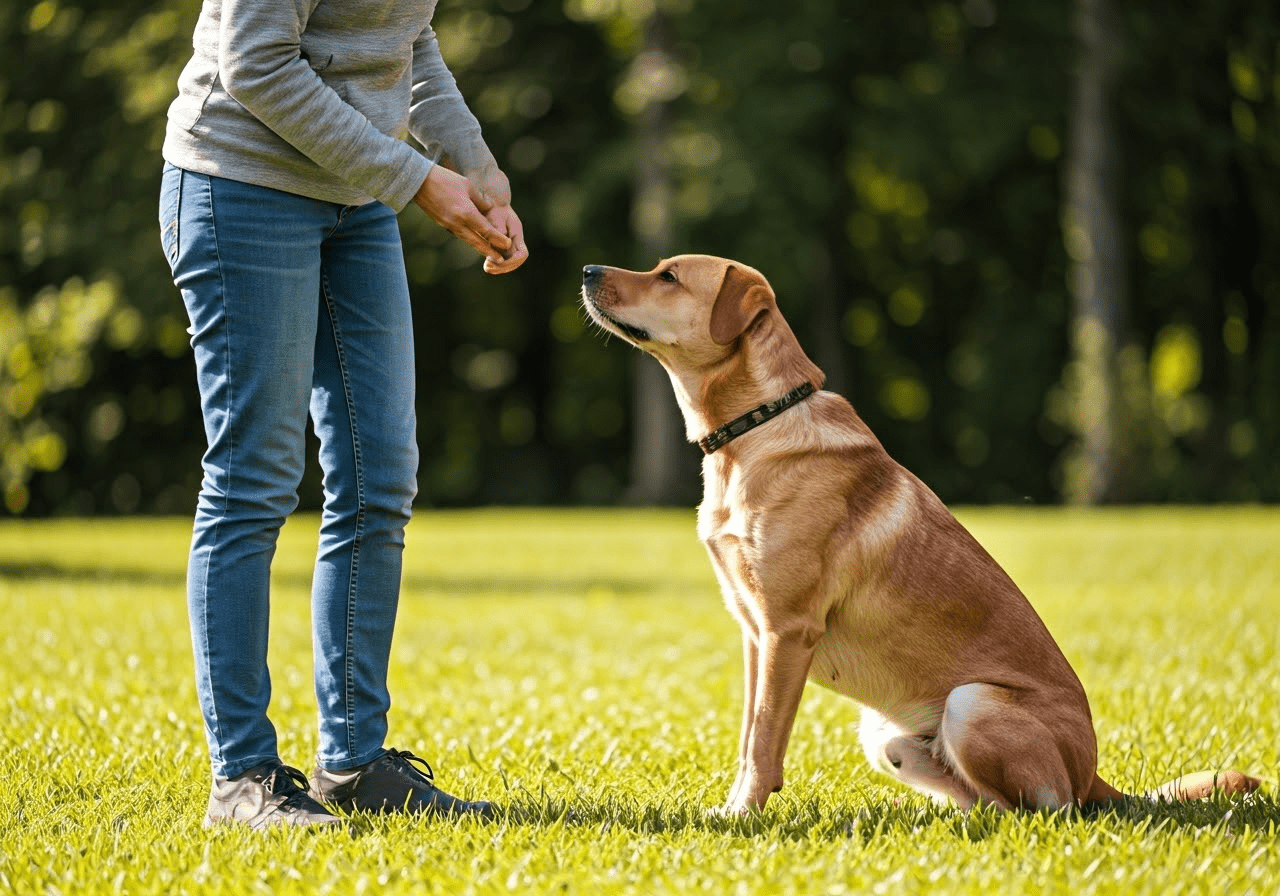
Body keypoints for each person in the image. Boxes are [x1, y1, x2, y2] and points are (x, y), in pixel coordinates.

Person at [158, 0, 527, 829]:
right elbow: (254, 63)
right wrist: (416, 179)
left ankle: (355, 763)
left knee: (380, 474)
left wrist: (474, 164)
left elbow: (407, 37)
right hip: (239, 183)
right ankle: (242, 778)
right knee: (255, 478)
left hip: (354, 200)